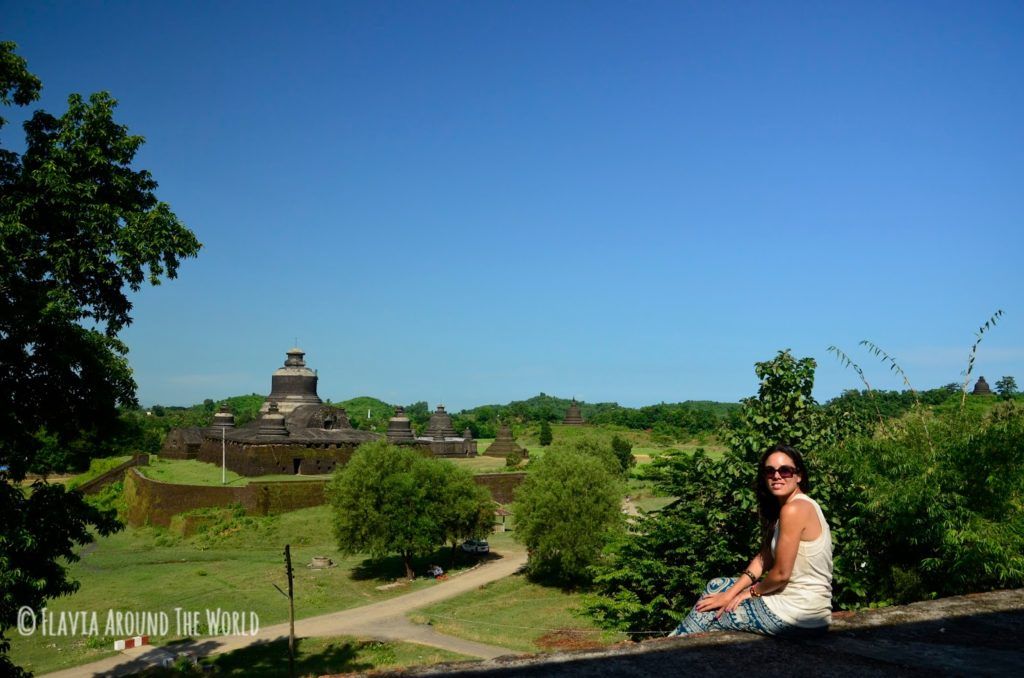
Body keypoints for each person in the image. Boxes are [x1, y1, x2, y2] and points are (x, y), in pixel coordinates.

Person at [669, 444, 833, 637]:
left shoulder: (795, 509)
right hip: (798, 606)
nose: (777, 475)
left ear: (799, 475)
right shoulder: (789, 508)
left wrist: (751, 592)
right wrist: (732, 592)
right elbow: (763, 557)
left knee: (710, 614)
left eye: (785, 470)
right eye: (769, 471)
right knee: (716, 587)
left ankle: (667, 648)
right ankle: (673, 643)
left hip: (799, 614)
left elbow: (781, 574)